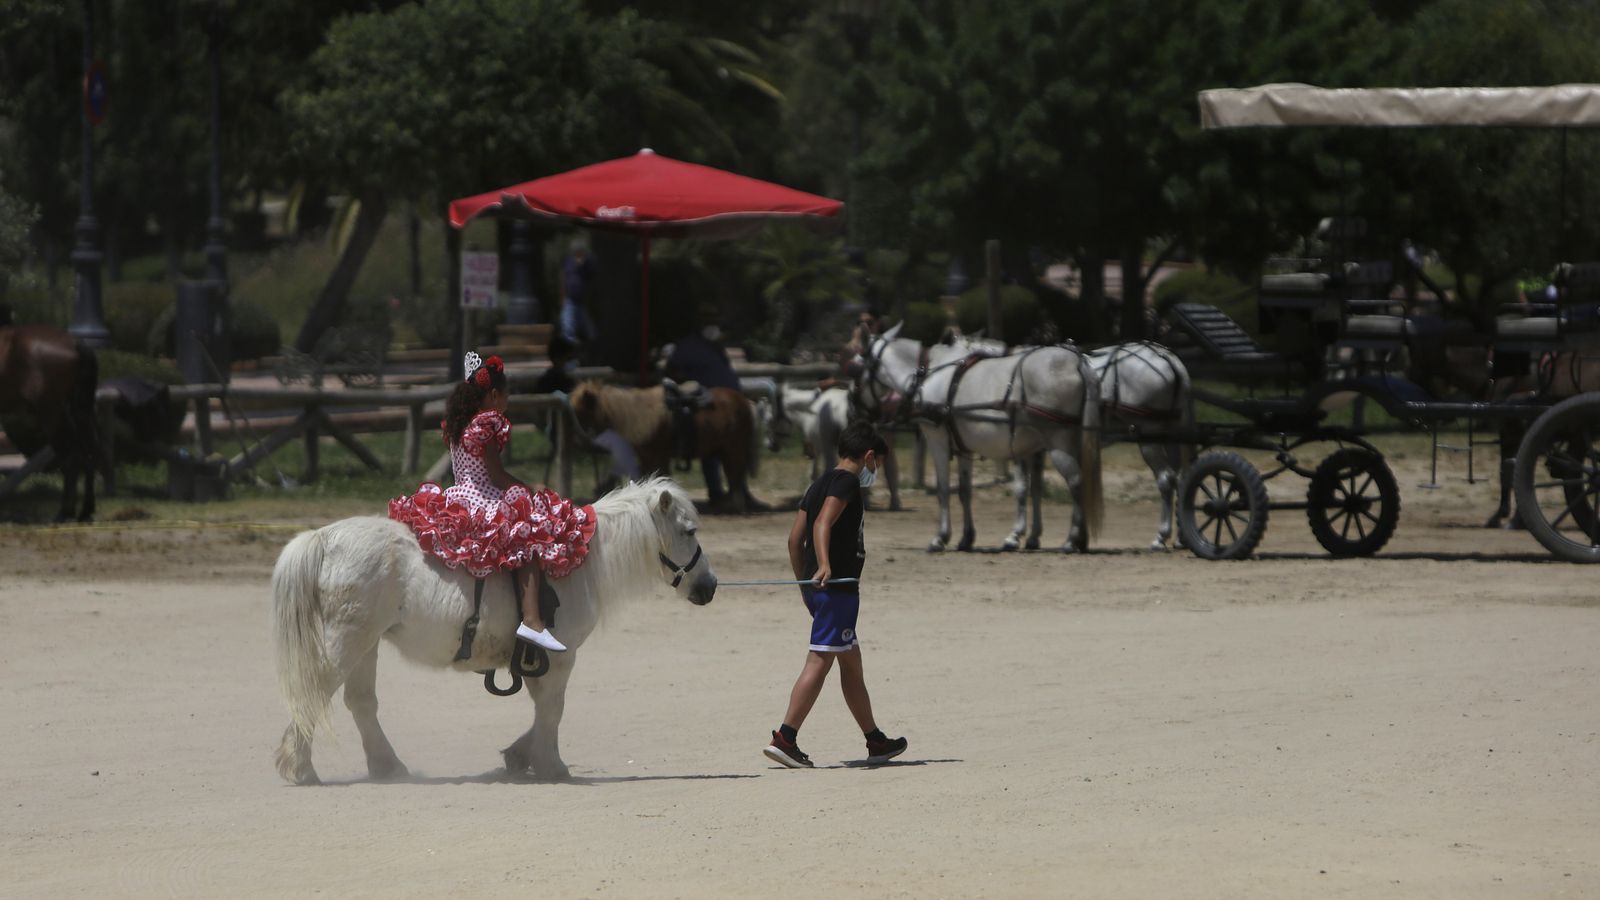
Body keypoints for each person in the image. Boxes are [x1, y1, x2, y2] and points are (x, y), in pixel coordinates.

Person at [388, 352, 596, 653]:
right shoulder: (487, 422)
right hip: (483, 496)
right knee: (530, 532)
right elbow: (496, 475)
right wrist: (526, 489)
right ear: (494, 395)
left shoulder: (460, 423)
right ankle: (532, 619)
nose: (508, 400)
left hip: (458, 494)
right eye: (507, 394)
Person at [764, 421, 908, 769]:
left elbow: (793, 539)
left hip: (823, 591)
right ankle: (786, 737)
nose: (876, 472)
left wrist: (804, 583)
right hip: (838, 588)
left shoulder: (819, 482)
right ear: (869, 456)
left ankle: (875, 740)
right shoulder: (846, 481)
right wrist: (825, 565)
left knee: (851, 663)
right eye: (878, 464)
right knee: (820, 659)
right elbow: (821, 525)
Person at [664, 324, 741, 506]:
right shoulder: (692, 346)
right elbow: (673, 370)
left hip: (718, 401)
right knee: (714, 448)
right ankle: (722, 491)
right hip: (708, 401)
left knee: (727, 449)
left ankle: (731, 492)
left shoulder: (712, 346)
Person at [559, 239, 598, 353]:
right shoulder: (568, 262)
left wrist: (584, 262)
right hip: (569, 301)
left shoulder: (588, 263)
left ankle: (590, 352)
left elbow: (592, 277)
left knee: (589, 330)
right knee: (567, 327)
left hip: (582, 302)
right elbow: (563, 278)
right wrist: (562, 296)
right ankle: (569, 352)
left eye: (580, 252)